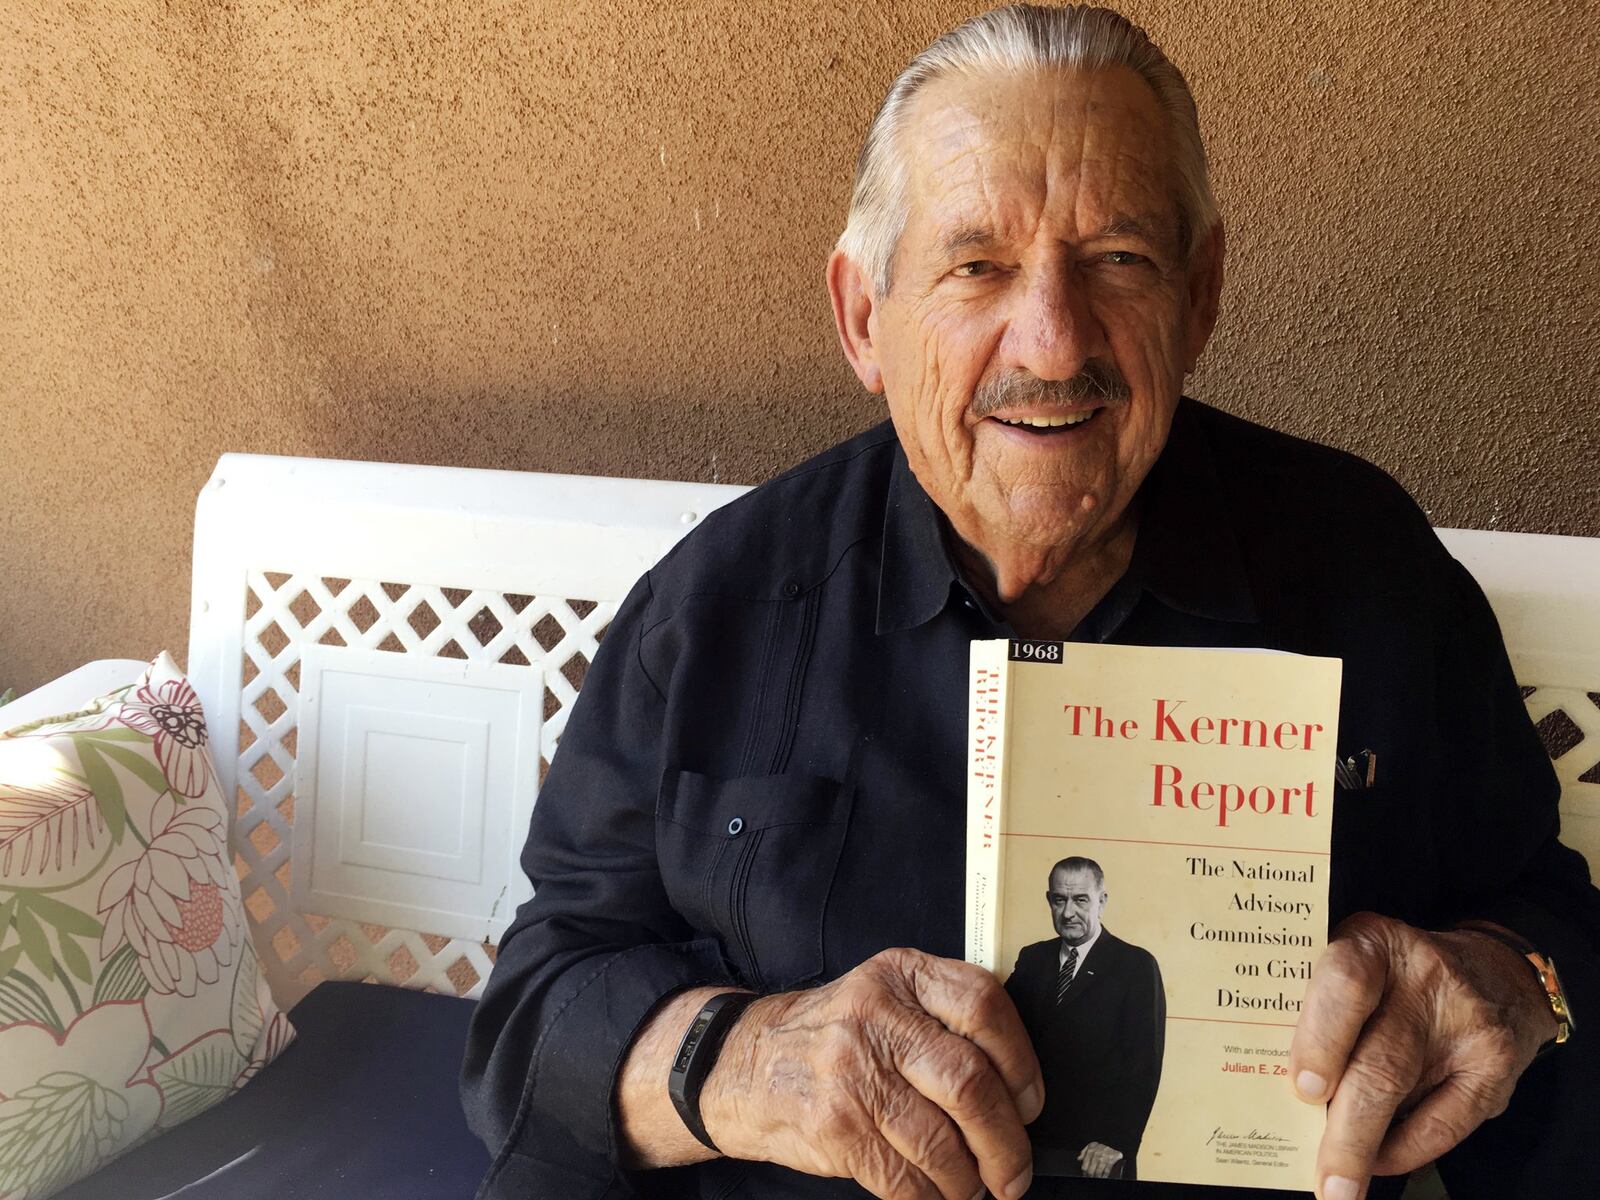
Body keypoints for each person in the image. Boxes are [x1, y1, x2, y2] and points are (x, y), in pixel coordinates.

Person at [461, 6, 1598, 1200]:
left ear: (1200, 296)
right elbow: (539, 1006)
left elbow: (1544, 918)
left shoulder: (1369, 576)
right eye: (976, 265)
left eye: (1118, 260)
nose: (1053, 344)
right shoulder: (721, 610)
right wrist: (746, 1063)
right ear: (864, 317)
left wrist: (1510, 986)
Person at [1004, 858, 1164, 1181]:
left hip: (1095, 1156)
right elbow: (1001, 1034)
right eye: (1059, 900)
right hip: (1029, 1148)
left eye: (1080, 900)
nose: (1068, 913)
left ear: (1102, 901)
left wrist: (1117, 1142)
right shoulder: (1032, 959)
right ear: (1049, 900)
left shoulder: (1135, 966)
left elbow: (1143, 1066)